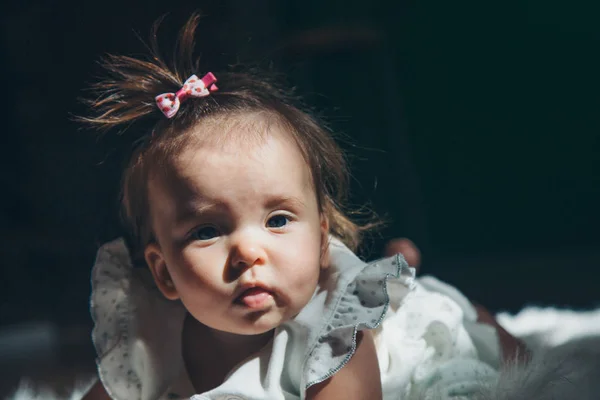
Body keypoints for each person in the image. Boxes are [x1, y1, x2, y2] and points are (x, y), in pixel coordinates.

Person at [81, 14, 519, 400]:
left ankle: (408, 275)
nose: (249, 253)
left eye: (277, 220)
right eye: (207, 231)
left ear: (322, 239)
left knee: (467, 328)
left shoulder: (334, 331)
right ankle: (399, 259)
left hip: (411, 345)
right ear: (163, 273)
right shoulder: (150, 337)